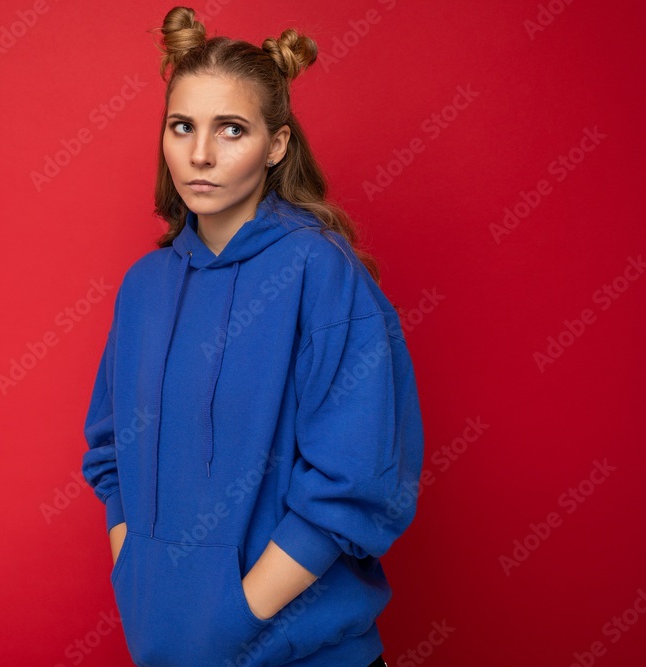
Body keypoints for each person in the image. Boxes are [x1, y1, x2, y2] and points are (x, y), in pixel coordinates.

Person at [81, 6, 423, 666]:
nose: (200, 153)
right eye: (182, 127)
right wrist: (142, 580)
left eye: (230, 129)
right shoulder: (143, 285)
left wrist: (231, 613)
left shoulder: (321, 270)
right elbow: (109, 451)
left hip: (301, 654)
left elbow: (357, 480)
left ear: (276, 144)